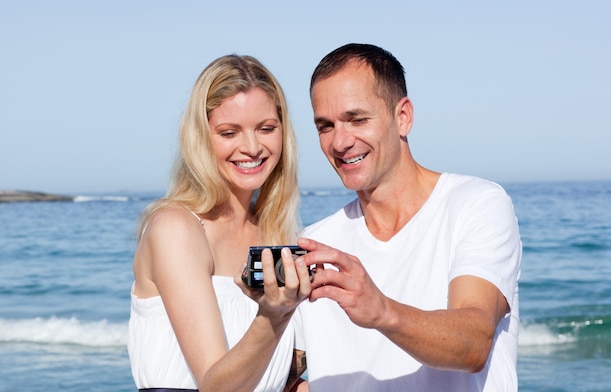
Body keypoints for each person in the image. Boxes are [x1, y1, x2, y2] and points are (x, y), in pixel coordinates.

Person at [294, 43, 522, 391]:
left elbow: (474, 343)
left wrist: (381, 310)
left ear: (403, 117)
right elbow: (288, 374)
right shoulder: (317, 241)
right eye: (325, 126)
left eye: (357, 119)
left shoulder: (475, 204)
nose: (340, 142)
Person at [128, 54, 311, 392]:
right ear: (201, 137)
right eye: (229, 132)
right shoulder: (176, 228)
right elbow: (217, 387)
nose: (253, 147)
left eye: (266, 128)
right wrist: (273, 315)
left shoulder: (280, 235)